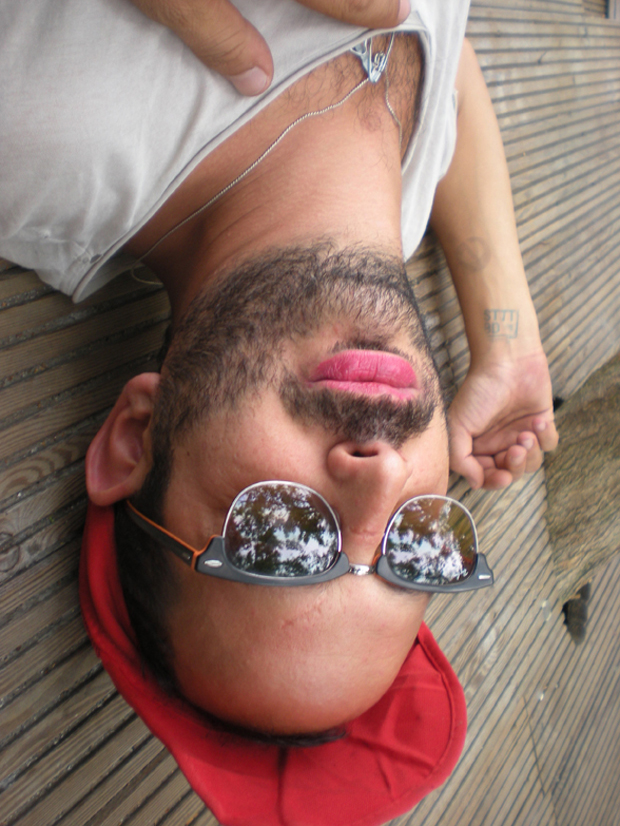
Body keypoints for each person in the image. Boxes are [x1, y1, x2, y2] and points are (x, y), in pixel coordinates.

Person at [1, 0, 558, 822]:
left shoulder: (38, 128)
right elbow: (452, 77)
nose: (379, 479)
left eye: (281, 539)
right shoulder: (400, 197)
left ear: (139, 437)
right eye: (413, 550)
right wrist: (508, 338)